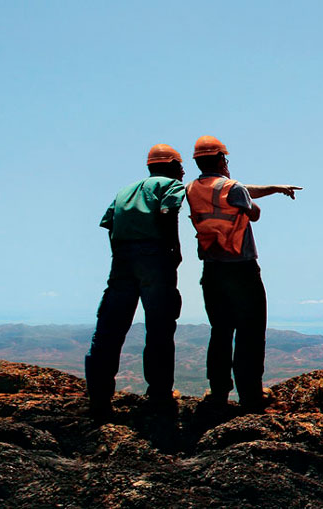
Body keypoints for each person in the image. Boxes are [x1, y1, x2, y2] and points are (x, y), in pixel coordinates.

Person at [185, 135, 301, 411]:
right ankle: (250, 396)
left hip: (212, 269)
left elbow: (236, 191)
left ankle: (219, 393)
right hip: (241, 268)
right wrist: (259, 197)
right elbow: (253, 211)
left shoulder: (191, 188)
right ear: (222, 160)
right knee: (250, 333)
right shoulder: (232, 188)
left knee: (221, 332)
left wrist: (273, 188)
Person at [85, 144, 187, 417]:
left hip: (122, 258)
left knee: (109, 329)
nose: (184, 171)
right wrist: (174, 252)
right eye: (181, 166)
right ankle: (160, 394)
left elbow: (109, 223)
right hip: (154, 257)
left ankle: (99, 399)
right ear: (173, 166)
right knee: (160, 328)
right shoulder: (171, 186)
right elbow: (168, 214)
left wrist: (119, 253)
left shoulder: (125, 190)